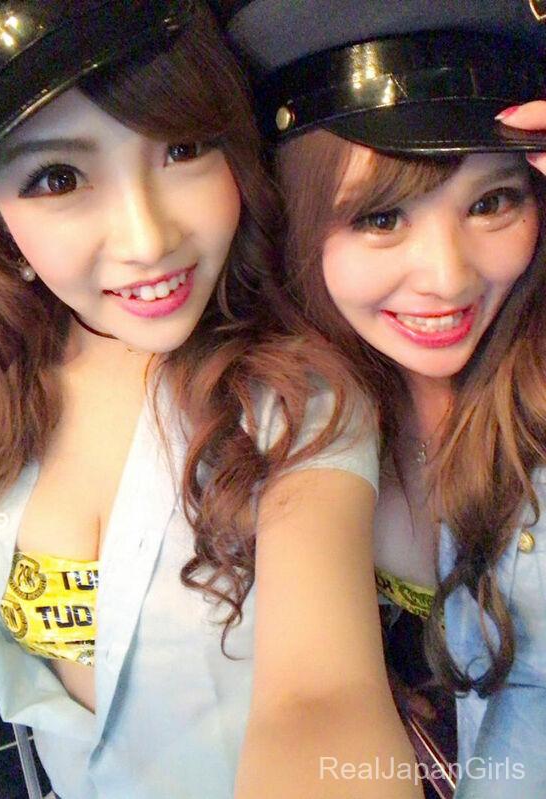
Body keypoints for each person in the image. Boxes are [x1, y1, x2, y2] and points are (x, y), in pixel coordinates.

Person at [0, 2, 420, 798]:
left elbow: (322, 697)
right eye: (59, 178)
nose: (148, 238)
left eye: (184, 148)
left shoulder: (296, 399)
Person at [226, 1, 546, 796]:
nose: (449, 275)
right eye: (381, 217)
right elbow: (312, 700)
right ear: (298, 220)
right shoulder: (304, 399)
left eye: (492, 203)